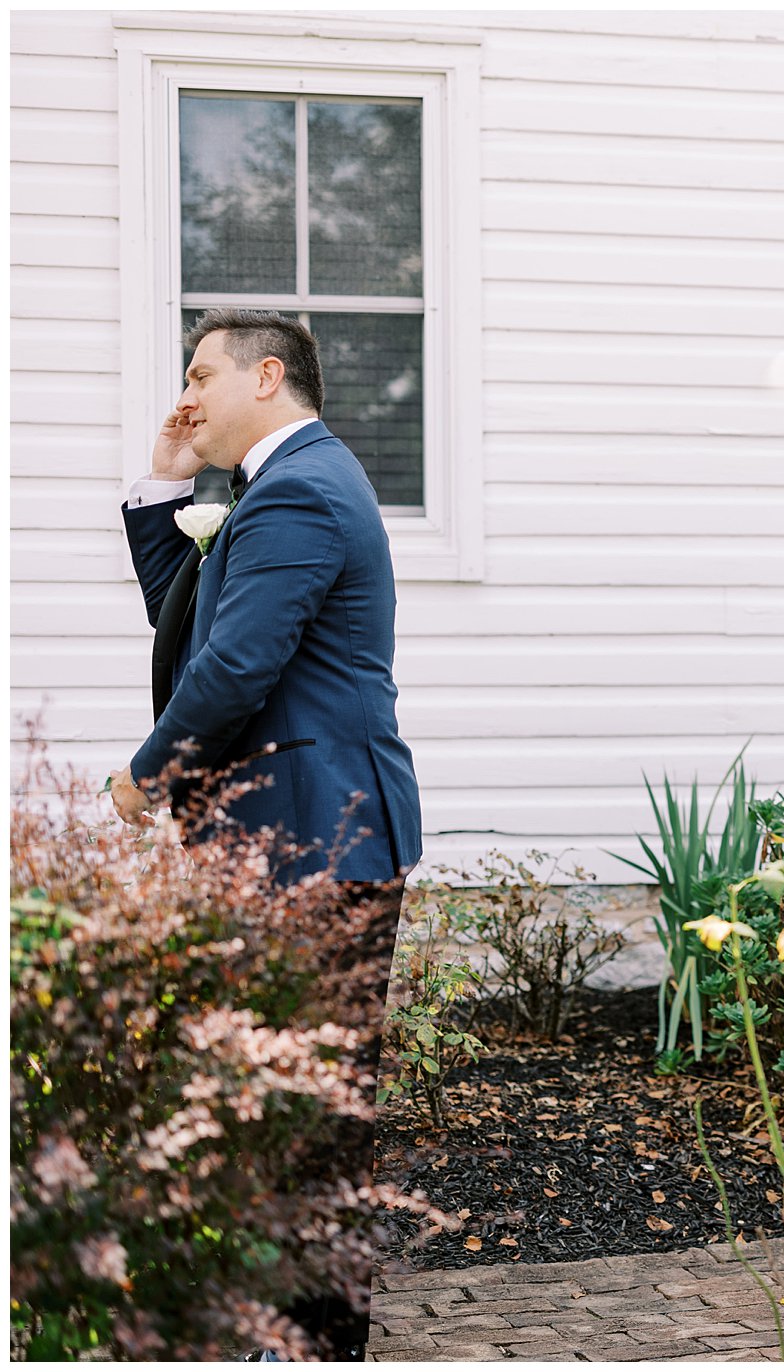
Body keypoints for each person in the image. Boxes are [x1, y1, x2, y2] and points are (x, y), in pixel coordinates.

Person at [110, 307, 424, 1357]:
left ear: (268, 375)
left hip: (314, 837)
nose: (186, 395)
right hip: (292, 837)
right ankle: (291, 1325)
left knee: (313, 1104)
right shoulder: (273, 490)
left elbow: (234, 672)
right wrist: (165, 484)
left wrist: (146, 775)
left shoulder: (298, 491)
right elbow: (192, 628)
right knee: (283, 1095)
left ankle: (318, 1339)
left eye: (200, 374)